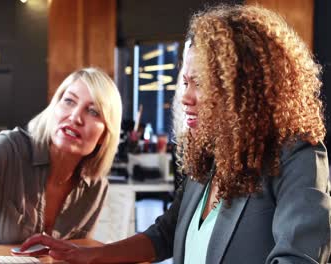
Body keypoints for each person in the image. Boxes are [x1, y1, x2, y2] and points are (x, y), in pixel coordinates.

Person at [20, 5, 331, 264]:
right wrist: (91, 255)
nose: (185, 97)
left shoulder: (297, 156)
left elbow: (297, 259)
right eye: (185, 82)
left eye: (200, 83)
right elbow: (165, 234)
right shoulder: (209, 156)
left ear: (243, 89)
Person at [0, 67, 122, 247]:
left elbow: (76, 253)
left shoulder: (96, 187)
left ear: (104, 135)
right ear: (54, 106)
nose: (75, 117)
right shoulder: (10, 147)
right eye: (69, 101)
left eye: (93, 111)